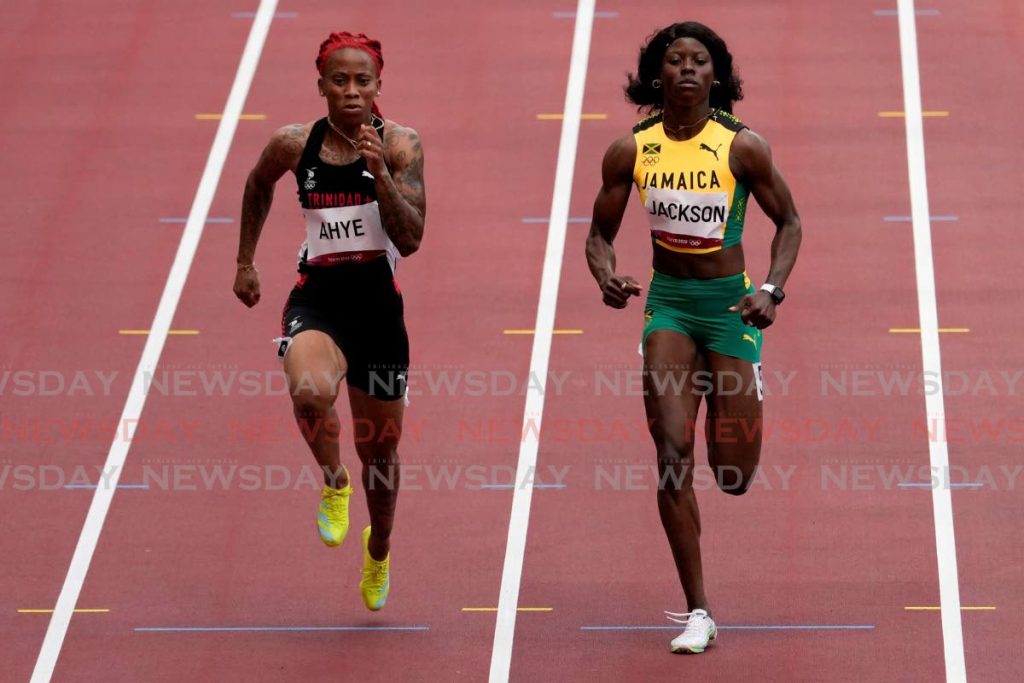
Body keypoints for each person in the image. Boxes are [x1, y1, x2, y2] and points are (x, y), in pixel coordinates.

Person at [585, 22, 801, 653]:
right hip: (670, 307)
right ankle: (698, 611)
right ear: (658, 76)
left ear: (716, 76)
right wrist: (605, 275)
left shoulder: (742, 147)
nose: (686, 69)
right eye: (674, 60)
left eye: (699, 61)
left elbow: (789, 221)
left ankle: (736, 386)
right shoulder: (632, 149)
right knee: (672, 452)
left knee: (732, 475)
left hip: (729, 307)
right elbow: (598, 232)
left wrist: (772, 290)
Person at [233, 31, 425, 612]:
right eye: (338, 80)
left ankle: (380, 550)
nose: (350, 90)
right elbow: (256, 184)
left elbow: (412, 239)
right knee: (311, 392)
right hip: (318, 300)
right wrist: (245, 260)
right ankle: (334, 484)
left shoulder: (401, 146)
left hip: (378, 313)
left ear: (378, 87)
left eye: (361, 81)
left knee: (383, 460)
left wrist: (380, 173)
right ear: (321, 86)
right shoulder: (295, 144)